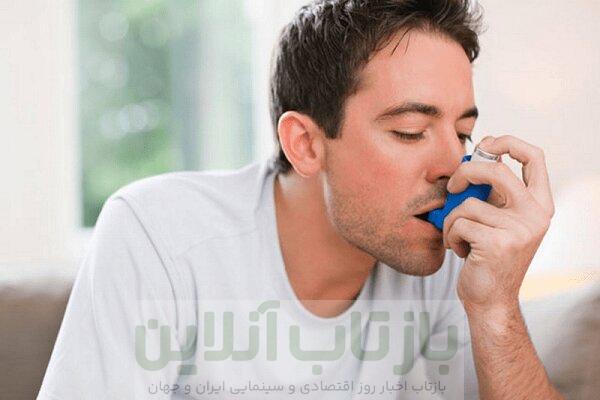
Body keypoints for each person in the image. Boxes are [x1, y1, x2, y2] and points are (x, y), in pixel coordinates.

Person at [38, 1, 562, 399]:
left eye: (463, 133)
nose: (455, 167)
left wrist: (496, 308)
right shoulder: (157, 233)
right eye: (409, 131)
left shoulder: (450, 263)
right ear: (306, 144)